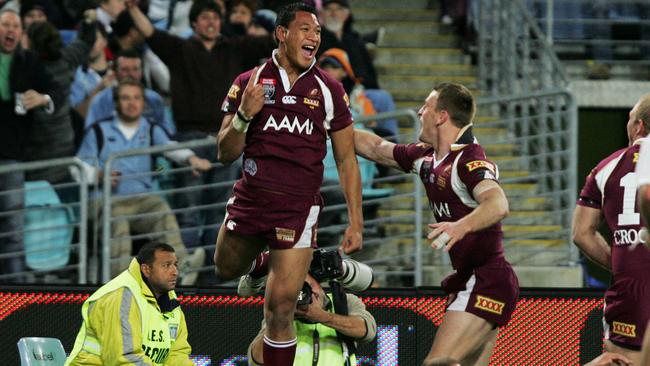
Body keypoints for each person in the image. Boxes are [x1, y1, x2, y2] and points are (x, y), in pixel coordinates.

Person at [215, 3, 364, 365]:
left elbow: (346, 159)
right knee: (225, 268)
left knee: (280, 307)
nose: (314, 37)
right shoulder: (248, 82)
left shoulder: (329, 90)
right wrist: (244, 117)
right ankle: (266, 260)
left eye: (317, 32)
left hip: (297, 210)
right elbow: (224, 153)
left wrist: (356, 221)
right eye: (305, 30)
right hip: (251, 200)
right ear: (282, 34)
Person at [354, 82, 519, 365]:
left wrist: (459, 226)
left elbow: (498, 204)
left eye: (426, 107)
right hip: (475, 280)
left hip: (485, 281)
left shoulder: (470, 160)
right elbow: (377, 148)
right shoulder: (426, 157)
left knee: (436, 363)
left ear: (442, 116)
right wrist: (335, 125)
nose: (420, 111)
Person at [126, 0, 275, 249]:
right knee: (189, 211)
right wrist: (132, 9)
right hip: (190, 140)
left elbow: (272, 41)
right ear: (194, 23)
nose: (211, 23)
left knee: (222, 211)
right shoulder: (180, 49)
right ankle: (188, 273)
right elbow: (151, 34)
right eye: (205, 18)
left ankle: (213, 274)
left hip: (228, 137)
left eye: (215, 18)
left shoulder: (235, 48)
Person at [76, 78, 209, 281]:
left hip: (141, 200)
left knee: (161, 209)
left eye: (136, 98)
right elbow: (76, 168)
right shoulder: (98, 130)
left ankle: (182, 268)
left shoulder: (150, 128)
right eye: (125, 98)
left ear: (143, 103)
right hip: (106, 201)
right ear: (116, 102)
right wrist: (98, 175)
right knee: (116, 220)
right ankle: (120, 282)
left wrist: (191, 158)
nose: (132, 103)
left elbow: (170, 148)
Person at [572, 93, 650, 365]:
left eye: (629, 120)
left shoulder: (605, 167)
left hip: (628, 291)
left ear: (638, 126)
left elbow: (581, 233)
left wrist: (621, 262)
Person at [0, 8, 60, 280]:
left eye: (16, 26)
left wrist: (43, 98)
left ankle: (15, 293)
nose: (10, 30)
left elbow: (54, 91)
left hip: (12, 156)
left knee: (13, 229)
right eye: (5, 25)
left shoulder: (29, 61)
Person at [65, 242, 194, 365]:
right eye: (166, 265)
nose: (175, 272)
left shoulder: (171, 299)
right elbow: (124, 358)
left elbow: (177, 353)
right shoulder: (121, 296)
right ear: (146, 269)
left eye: (175, 265)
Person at [247, 273, 376, 365]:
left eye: (308, 286)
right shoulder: (283, 313)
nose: (305, 293)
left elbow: (366, 330)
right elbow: (256, 360)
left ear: (319, 284)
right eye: (298, 289)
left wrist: (321, 316)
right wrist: (282, 319)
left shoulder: (342, 301)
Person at [85, 48, 175, 134]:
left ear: (141, 71)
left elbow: (167, 131)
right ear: (114, 72)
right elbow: (91, 133)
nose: (131, 74)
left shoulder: (154, 98)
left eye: (135, 69)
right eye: (125, 70)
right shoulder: (101, 100)